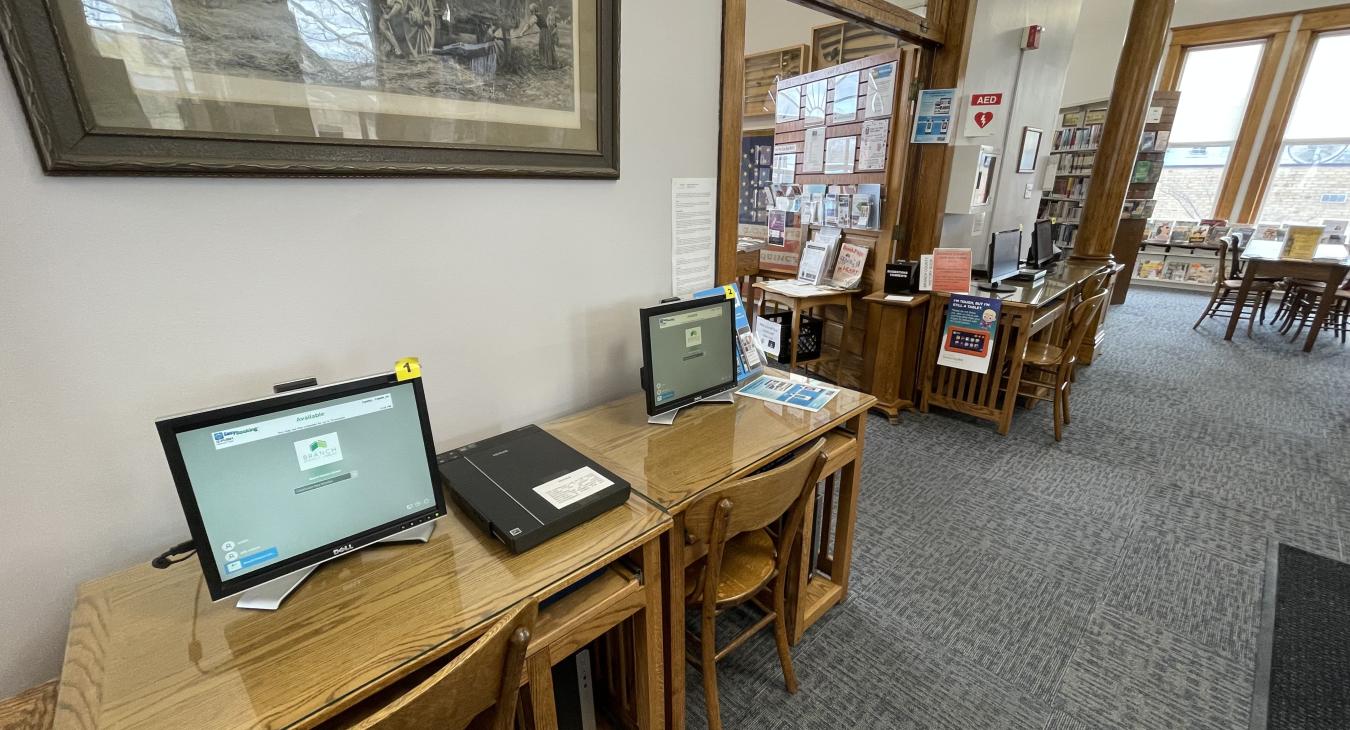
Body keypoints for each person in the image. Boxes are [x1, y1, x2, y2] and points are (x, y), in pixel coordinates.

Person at [532, 3, 557, 68]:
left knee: (545, 46)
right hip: (545, 31)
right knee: (546, 46)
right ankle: (548, 63)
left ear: (534, 10)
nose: (530, 12)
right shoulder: (542, 15)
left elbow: (553, 25)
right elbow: (545, 23)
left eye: (531, 10)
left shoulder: (537, 16)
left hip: (545, 32)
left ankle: (548, 63)